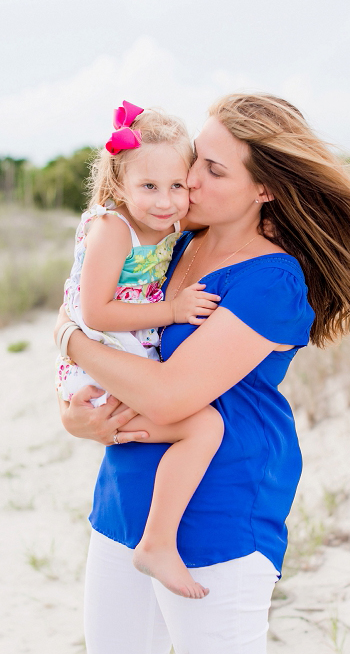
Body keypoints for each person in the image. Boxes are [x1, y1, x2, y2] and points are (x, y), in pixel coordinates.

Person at [56, 92, 350, 654]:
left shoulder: (272, 279)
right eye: (196, 158)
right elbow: (105, 321)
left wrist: (69, 340)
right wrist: (77, 418)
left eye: (212, 169)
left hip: (218, 515)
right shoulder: (177, 245)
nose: (189, 180)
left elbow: (168, 394)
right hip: (123, 499)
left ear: (264, 188)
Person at [56, 101, 224, 600]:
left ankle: (156, 536)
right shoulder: (113, 228)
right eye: (148, 187)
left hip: (120, 349)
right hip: (102, 351)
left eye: (176, 185)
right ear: (118, 188)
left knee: (194, 423)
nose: (166, 200)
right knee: (203, 425)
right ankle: (156, 543)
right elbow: (98, 313)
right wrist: (171, 311)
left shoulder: (169, 228)